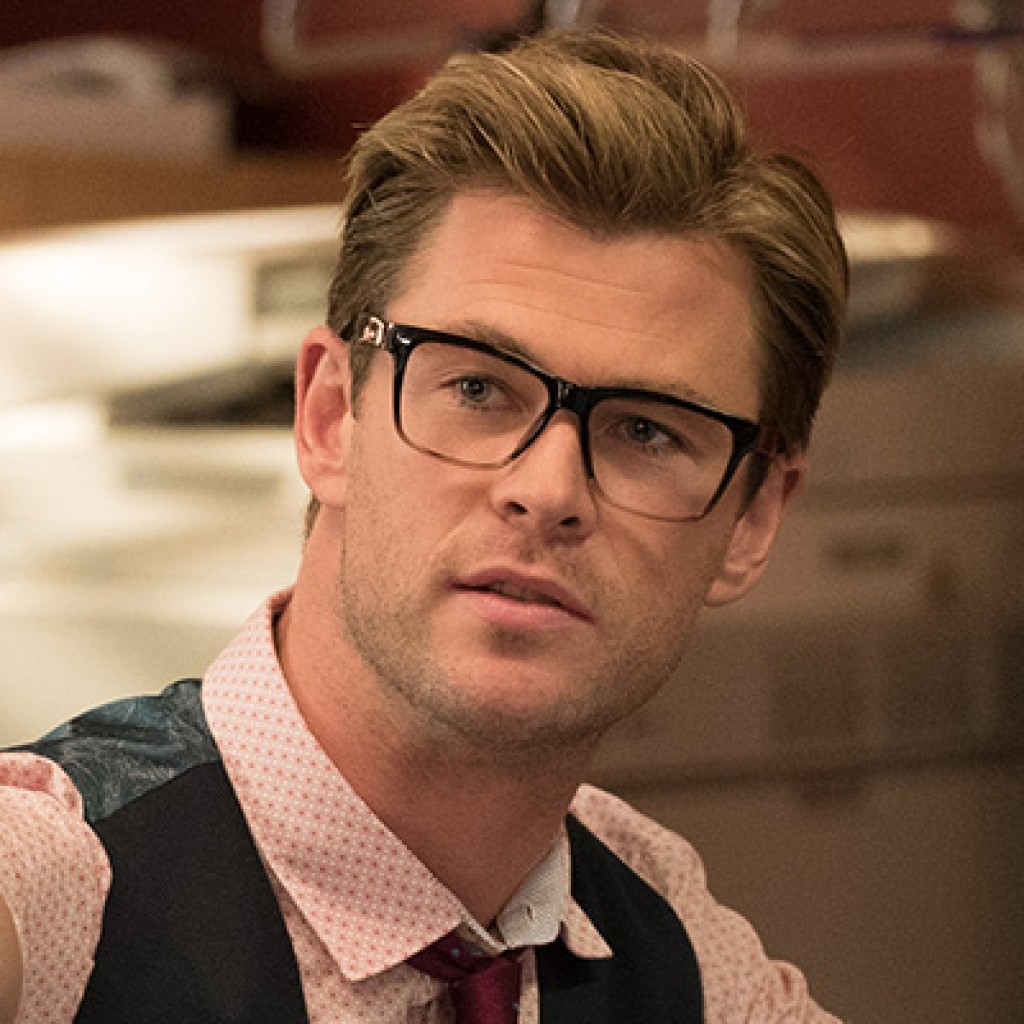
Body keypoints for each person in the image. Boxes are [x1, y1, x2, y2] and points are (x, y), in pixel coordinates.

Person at [0, 27, 848, 1024]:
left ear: (752, 519)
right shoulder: (57, 875)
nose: (548, 488)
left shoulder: (671, 943)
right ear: (329, 416)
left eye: (647, 431)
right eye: (478, 387)